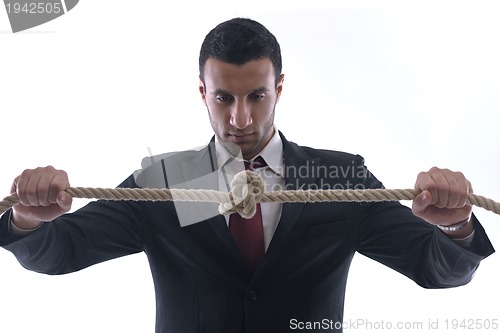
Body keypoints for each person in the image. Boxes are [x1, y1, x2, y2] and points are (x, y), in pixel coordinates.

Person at [0, 17, 495, 333]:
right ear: (202, 92)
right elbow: (59, 253)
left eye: (256, 96)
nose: (240, 119)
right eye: (224, 98)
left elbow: (438, 270)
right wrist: (26, 217)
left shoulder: (336, 178)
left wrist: (454, 224)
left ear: (278, 87)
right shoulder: (168, 181)